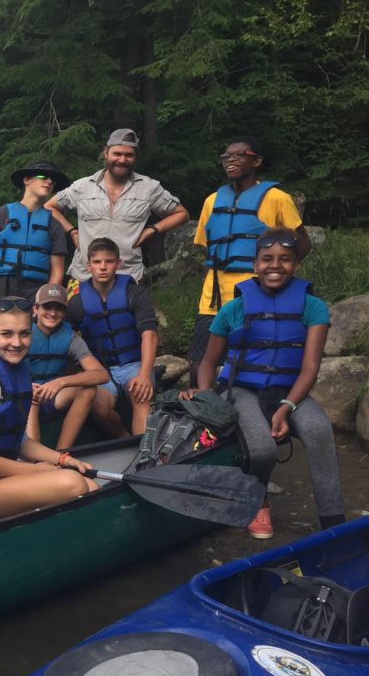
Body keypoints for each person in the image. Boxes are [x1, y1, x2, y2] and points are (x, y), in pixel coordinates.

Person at [182, 227, 343, 540]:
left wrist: (286, 407)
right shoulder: (232, 309)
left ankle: (333, 521)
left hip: (291, 389)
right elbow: (208, 362)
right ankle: (258, 501)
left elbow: (310, 367)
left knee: (320, 431)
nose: (275, 265)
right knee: (262, 448)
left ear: (296, 265)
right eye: (267, 258)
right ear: (255, 265)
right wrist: (205, 394)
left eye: (285, 259)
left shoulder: (313, 307)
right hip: (242, 389)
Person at [0, 299, 98, 520]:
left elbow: (20, 441)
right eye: (7, 334)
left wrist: (62, 459)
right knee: (72, 483)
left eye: (24, 334)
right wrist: (36, 471)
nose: (17, 342)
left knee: (92, 488)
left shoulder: (15, 369)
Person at [188, 136, 311, 387]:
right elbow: (207, 249)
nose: (230, 160)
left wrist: (279, 278)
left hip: (255, 294)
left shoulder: (277, 198)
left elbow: (302, 242)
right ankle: (205, 418)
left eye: (238, 155)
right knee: (198, 365)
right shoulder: (212, 201)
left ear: (256, 161)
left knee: (247, 362)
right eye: (226, 156)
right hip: (212, 297)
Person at [45, 128, 189, 285]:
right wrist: (73, 232)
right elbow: (49, 207)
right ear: (106, 153)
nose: (122, 160)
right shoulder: (83, 186)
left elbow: (182, 214)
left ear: (135, 157)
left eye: (129, 155)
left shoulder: (149, 188)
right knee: (77, 310)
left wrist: (152, 230)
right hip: (83, 277)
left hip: (129, 278)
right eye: (117, 154)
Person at [66, 238, 158, 437]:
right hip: (102, 370)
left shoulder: (134, 293)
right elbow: (65, 338)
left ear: (118, 264)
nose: (103, 267)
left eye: (108, 261)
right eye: (97, 262)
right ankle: (125, 440)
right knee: (98, 407)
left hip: (134, 365)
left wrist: (144, 374)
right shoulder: (77, 303)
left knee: (140, 395)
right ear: (88, 265)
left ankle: (142, 455)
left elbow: (149, 334)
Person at [0, 161, 71, 324]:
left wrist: (45, 302)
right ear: (26, 180)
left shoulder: (54, 225)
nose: (49, 181)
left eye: (53, 180)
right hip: (1, 288)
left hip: (35, 292)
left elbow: (57, 271)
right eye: (43, 176)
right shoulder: (1, 214)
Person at [26, 283, 110, 450]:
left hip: (53, 394)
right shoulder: (23, 332)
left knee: (88, 389)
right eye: (47, 307)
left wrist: (61, 382)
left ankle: (62, 452)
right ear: (35, 309)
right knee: (30, 398)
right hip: (25, 393)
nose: (53, 313)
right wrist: (25, 387)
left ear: (65, 312)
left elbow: (101, 374)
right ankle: (35, 459)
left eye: (59, 308)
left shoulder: (70, 337)